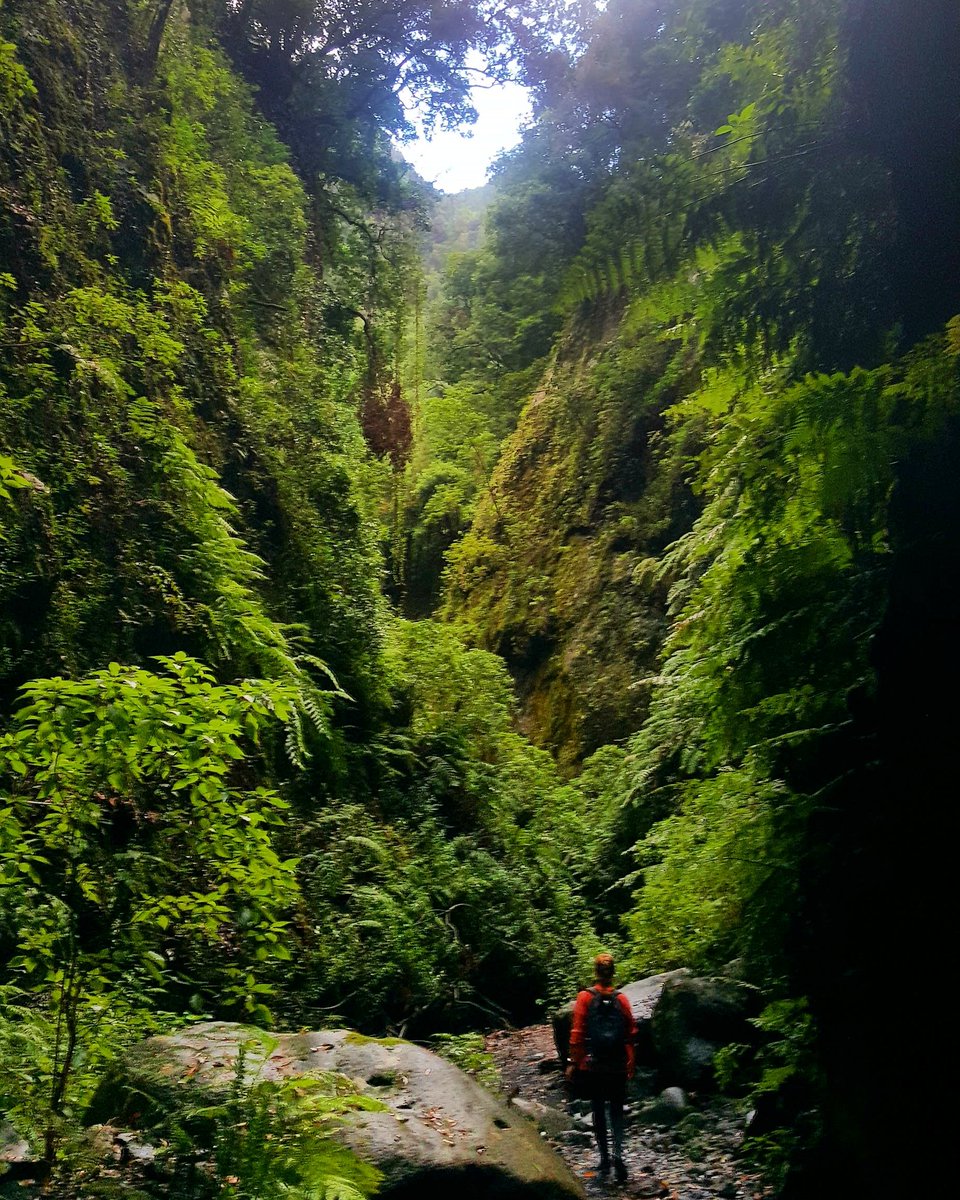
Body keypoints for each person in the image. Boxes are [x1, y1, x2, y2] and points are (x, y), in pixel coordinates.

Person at [565, 953, 636, 1182]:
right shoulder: (622, 999)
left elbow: (577, 1033)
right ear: (613, 973)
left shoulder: (585, 997)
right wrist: (630, 1062)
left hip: (593, 1065)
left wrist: (574, 1063)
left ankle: (604, 1160)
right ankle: (618, 1155)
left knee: (597, 1111)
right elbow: (630, 1033)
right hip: (616, 1065)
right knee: (616, 1110)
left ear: (595, 972)